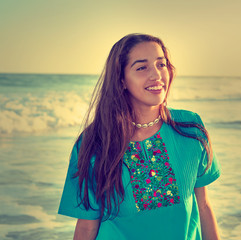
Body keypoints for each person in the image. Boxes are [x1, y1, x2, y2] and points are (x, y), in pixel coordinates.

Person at [58, 33, 221, 240]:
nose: (156, 75)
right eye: (141, 67)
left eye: (161, 65)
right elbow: (87, 225)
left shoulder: (189, 127)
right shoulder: (95, 142)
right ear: (122, 79)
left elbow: (204, 206)